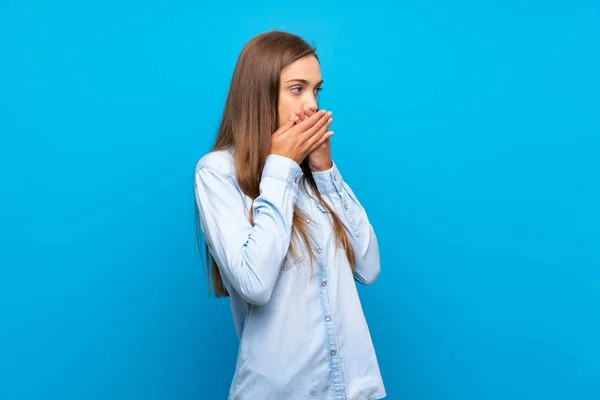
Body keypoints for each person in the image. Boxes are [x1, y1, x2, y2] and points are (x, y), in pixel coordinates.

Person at [194, 30, 386, 400]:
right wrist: (281, 166)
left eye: (316, 90)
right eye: (297, 89)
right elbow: (255, 283)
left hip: (355, 390)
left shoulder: (317, 176)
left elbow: (369, 267)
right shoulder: (217, 172)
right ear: (261, 93)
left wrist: (327, 172)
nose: (312, 105)